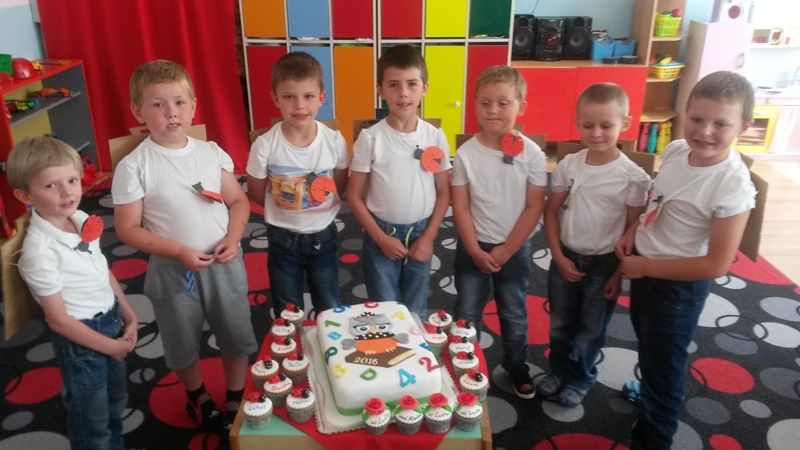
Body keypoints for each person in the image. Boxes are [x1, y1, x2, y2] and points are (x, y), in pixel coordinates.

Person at [112, 60, 257, 433]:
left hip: (223, 261)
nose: (171, 113)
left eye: (179, 102)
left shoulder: (210, 152)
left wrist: (234, 237)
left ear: (193, 105)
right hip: (172, 268)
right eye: (158, 105)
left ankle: (235, 396)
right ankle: (197, 395)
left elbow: (238, 201)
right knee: (180, 338)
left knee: (235, 331)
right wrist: (178, 252)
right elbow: (127, 229)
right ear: (138, 112)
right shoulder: (134, 166)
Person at [616, 71, 756, 450]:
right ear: (685, 113)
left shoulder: (732, 185)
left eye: (720, 124)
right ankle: (648, 390)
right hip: (646, 269)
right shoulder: (678, 150)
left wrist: (646, 266)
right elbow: (658, 200)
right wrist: (634, 233)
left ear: (743, 127)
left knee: (665, 364)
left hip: (678, 288)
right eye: (696, 118)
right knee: (649, 344)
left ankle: (654, 436)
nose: (705, 131)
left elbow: (716, 265)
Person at [8, 136, 138, 450]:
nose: (67, 192)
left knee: (115, 402)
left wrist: (127, 312)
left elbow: (101, 269)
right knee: (91, 420)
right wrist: (110, 346)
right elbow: (58, 320)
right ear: (24, 195)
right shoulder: (40, 252)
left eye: (72, 180)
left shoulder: (79, 219)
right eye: (51, 186)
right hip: (81, 339)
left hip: (110, 320)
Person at [538, 83, 650, 406]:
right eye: (588, 125)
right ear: (577, 123)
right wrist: (558, 256)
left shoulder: (633, 176)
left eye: (606, 125)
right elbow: (551, 211)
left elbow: (633, 230)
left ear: (625, 124)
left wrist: (618, 275)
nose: (596, 133)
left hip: (605, 263)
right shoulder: (569, 164)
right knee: (560, 322)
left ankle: (581, 377)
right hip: (566, 255)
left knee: (591, 328)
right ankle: (558, 370)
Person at [451, 65, 547, 399]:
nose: (493, 110)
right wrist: (474, 249)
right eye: (485, 103)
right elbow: (460, 206)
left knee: (513, 312)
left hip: (514, 248)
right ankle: (465, 362)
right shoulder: (465, 154)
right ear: (474, 105)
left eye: (503, 103)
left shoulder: (532, 154)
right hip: (473, 246)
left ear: (521, 106)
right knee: (466, 312)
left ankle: (516, 365)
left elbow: (534, 207)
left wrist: (507, 249)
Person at [347, 45, 451, 317]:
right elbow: (353, 196)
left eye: (412, 84)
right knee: (385, 309)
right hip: (381, 234)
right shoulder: (371, 138)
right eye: (394, 85)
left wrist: (428, 237)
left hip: (421, 233)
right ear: (380, 90)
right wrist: (380, 238)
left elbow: (444, 193)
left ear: (424, 88)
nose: (403, 93)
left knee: (415, 308)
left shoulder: (435, 137)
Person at [246, 52, 348, 316]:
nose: (300, 105)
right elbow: (256, 190)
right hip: (282, 236)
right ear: (275, 98)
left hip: (323, 234)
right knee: (287, 309)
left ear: (322, 98)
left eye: (308, 96)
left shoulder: (333, 140)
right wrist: (284, 206)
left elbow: (339, 181)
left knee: (328, 304)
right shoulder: (265, 145)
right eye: (289, 97)